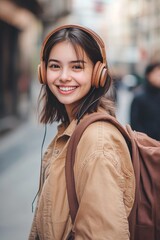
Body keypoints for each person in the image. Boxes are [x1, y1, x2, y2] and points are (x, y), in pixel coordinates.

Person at [29, 24, 135, 240]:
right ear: (43, 72)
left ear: (98, 73)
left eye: (77, 67)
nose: (64, 76)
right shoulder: (72, 129)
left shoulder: (97, 142)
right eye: (55, 66)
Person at [130, 62, 160, 141]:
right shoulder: (139, 97)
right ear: (149, 75)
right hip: (145, 145)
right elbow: (134, 123)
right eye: (158, 75)